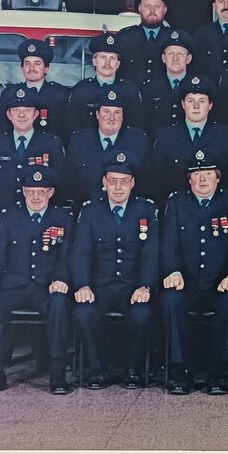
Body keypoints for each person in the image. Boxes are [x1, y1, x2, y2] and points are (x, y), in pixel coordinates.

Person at [0, 167, 74, 395]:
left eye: (41, 191)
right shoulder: (8, 217)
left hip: (46, 286)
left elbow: (66, 255)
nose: (35, 196)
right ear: (23, 191)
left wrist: (61, 279)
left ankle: (58, 373)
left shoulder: (62, 218)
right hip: (15, 285)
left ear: (50, 192)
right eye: (30, 191)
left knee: (59, 304)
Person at [160, 155, 228, 395]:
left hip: (220, 283)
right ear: (189, 180)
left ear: (218, 179)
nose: (202, 179)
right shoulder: (177, 203)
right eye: (197, 175)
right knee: (171, 299)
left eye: (208, 174)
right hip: (188, 282)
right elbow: (168, 244)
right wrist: (173, 271)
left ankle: (219, 370)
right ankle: (181, 370)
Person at [70, 154, 160, 390]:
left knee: (142, 316)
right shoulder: (91, 211)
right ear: (104, 183)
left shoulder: (146, 210)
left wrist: (146, 285)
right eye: (113, 181)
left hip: (133, 286)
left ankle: (134, 371)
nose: (118, 187)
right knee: (83, 314)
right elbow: (81, 252)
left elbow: (151, 253)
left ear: (132, 183)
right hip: (100, 286)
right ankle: (96, 371)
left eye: (124, 181)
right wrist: (82, 284)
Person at [150, 76, 228, 203]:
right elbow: (157, 180)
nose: (196, 106)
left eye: (202, 101)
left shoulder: (225, 136)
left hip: (215, 210)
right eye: (191, 101)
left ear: (210, 105)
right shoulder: (166, 137)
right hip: (177, 211)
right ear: (183, 104)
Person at [0, 87, 65, 217]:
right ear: (9, 115)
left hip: (38, 217)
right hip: (3, 217)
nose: (21, 115)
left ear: (36, 114)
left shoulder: (51, 144)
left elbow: (59, 183)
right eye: (16, 110)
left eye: (27, 110)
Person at [63, 85, 150, 209]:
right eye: (106, 112)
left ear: (123, 116)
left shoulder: (139, 141)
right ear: (97, 114)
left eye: (117, 112)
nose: (111, 118)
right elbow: (69, 182)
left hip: (126, 215)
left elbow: (146, 184)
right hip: (86, 214)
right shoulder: (79, 141)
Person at [0, 38, 71, 143]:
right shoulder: (9, 94)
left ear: (46, 68)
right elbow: (1, 130)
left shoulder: (60, 94)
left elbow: (67, 131)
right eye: (27, 64)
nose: (31, 68)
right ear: (22, 68)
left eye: (37, 64)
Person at [67, 31, 140, 133]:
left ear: (118, 64)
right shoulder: (81, 90)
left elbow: (136, 128)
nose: (107, 63)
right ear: (94, 61)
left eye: (112, 58)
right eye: (103, 57)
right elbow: (73, 128)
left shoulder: (130, 91)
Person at [139, 28, 198, 137]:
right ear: (163, 58)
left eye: (180, 54)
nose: (175, 58)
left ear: (188, 58)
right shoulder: (149, 89)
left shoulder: (198, 88)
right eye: (171, 54)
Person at [116, 0, 174, 85]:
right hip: (131, 99)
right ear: (139, 8)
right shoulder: (124, 37)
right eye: (147, 6)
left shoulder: (173, 39)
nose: (152, 11)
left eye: (157, 6)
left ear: (165, 10)